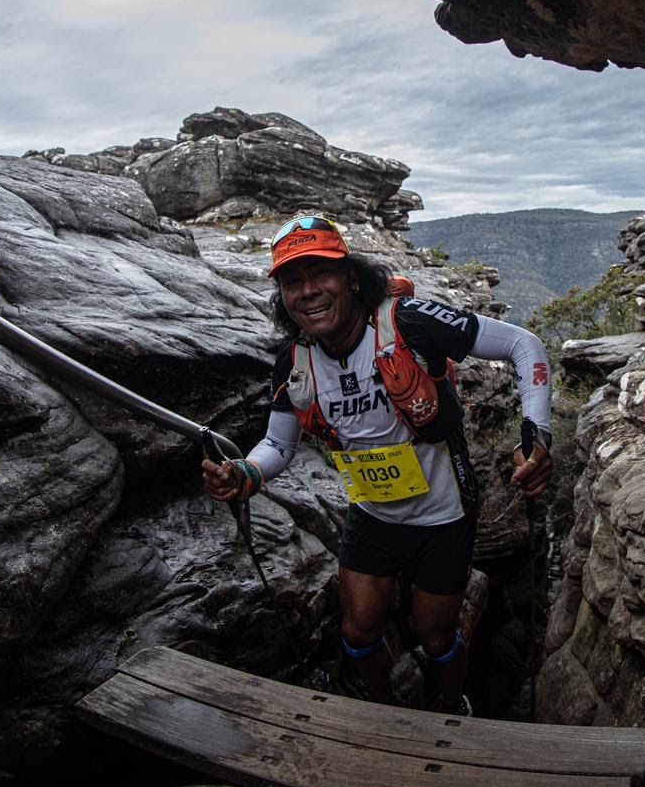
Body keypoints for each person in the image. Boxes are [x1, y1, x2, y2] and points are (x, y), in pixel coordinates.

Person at [202, 215, 553, 715]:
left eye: (321, 273)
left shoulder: (408, 323)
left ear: (351, 277)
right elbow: (278, 443)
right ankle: (384, 710)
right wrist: (246, 473)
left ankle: (452, 710)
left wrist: (536, 434)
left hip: (444, 515)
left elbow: (524, 345)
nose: (308, 291)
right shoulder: (295, 361)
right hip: (371, 514)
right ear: (282, 295)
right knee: (358, 632)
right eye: (292, 281)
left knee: (436, 637)